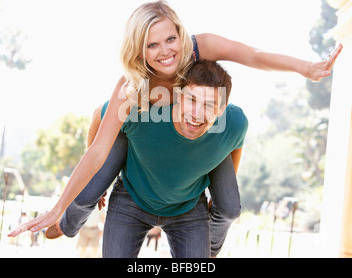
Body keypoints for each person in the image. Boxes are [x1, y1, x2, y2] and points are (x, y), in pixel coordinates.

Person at [8, 0, 342, 252]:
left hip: (199, 137)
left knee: (229, 205)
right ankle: (67, 224)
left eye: (170, 38)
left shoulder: (200, 48)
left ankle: (207, 244)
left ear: (180, 32)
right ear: (139, 49)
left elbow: (252, 55)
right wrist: (58, 207)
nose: (166, 51)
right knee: (89, 189)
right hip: (138, 140)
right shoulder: (134, 85)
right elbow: (97, 138)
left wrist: (304, 68)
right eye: (152, 45)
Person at [102, 59, 248, 257]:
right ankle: (67, 222)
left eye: (208, 104)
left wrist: (222, 190)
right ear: (178, 96)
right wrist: (94, 178)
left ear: (221, 108)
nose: (196, 114)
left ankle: (210, 250)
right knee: (84, 197)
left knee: (230, 209)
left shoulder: (234, 121)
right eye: (192, 100)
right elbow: (98, 116)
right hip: (133, 195)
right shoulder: (142, 108)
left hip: (188, 205)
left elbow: (235, 145)